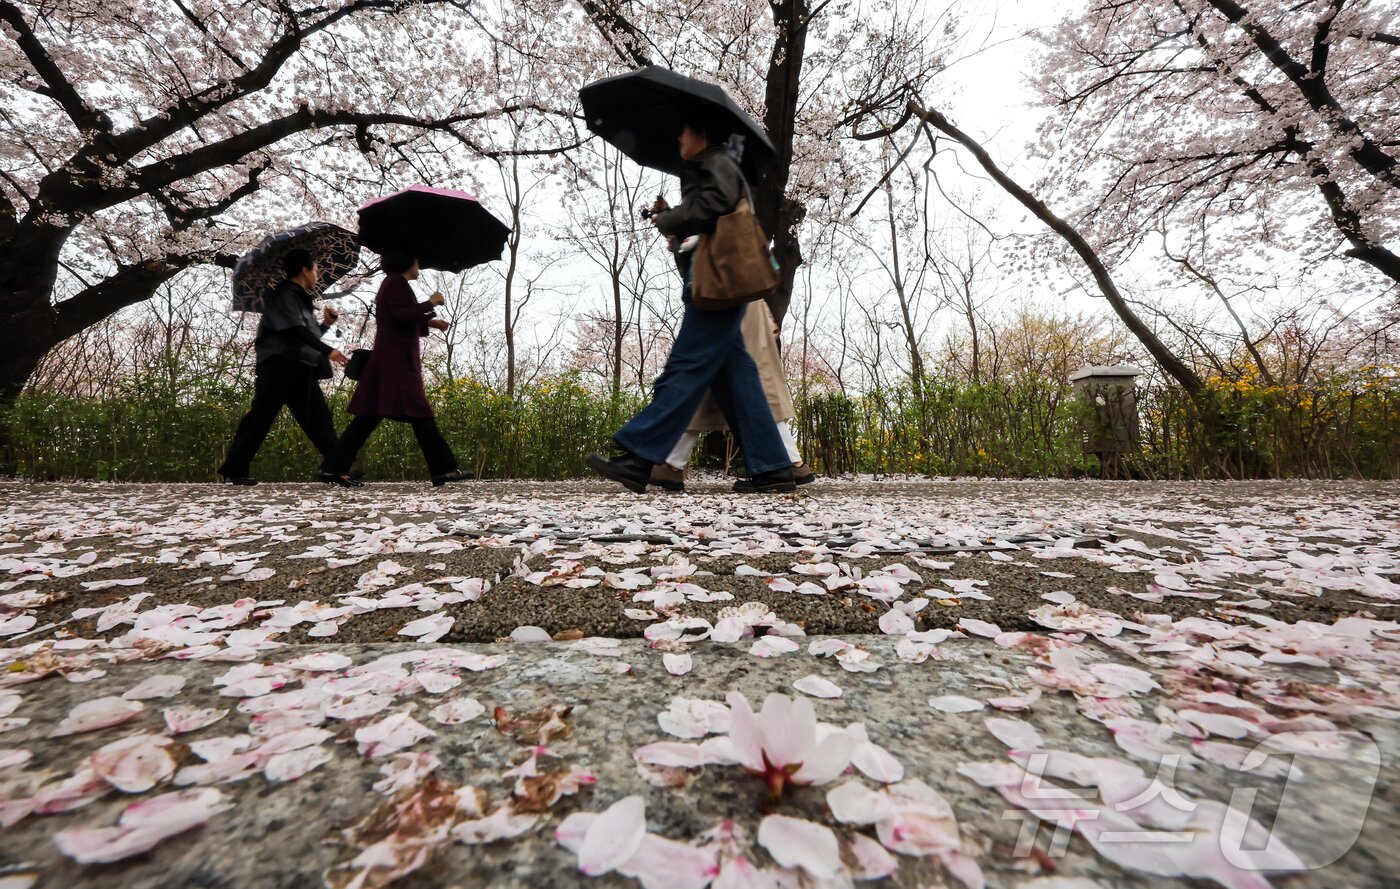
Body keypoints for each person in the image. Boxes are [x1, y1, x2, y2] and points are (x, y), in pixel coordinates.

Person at [587, 118, 795, 494]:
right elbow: (709, 212)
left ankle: (641, 455)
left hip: (715, 285)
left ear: (701, 132)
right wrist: (673, 219)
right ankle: (773, 465)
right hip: (720, 281)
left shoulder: (715, 160)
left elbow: (717, 202)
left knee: (686, 366)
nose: (677, 138)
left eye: (682, 131)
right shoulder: (716, 163)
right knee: (738, 377)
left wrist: (670, 217)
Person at [322, 253, 472, 487]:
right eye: (416, 261)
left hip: (391, 364)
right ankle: (445, 469)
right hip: (396, 365)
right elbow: (402, 315)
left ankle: (334, 468)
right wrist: (430, 303)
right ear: (406, 262)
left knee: (368, 418)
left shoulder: (395, 284)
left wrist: (430, 322)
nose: (419, 265)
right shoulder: (394, 283)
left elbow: (401, 316)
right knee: (421, 414)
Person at [650, 300, 816, 492]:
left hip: (730, 300)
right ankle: (791, 461)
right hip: (738, 300)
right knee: (746, 384)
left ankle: (672, 464)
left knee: (731, 382)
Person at [218, 248, 349, 486]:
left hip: (299, 365)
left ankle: (336, 468)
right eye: (316, 269)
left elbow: (308, 334)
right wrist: (328, 350)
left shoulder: (299, 298)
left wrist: (326, 325)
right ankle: (235, 468)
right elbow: (294, 331)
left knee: (318, 418)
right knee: (261, 416)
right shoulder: (283, 295)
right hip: (280, 365)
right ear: (304, 270)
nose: (318, 274)